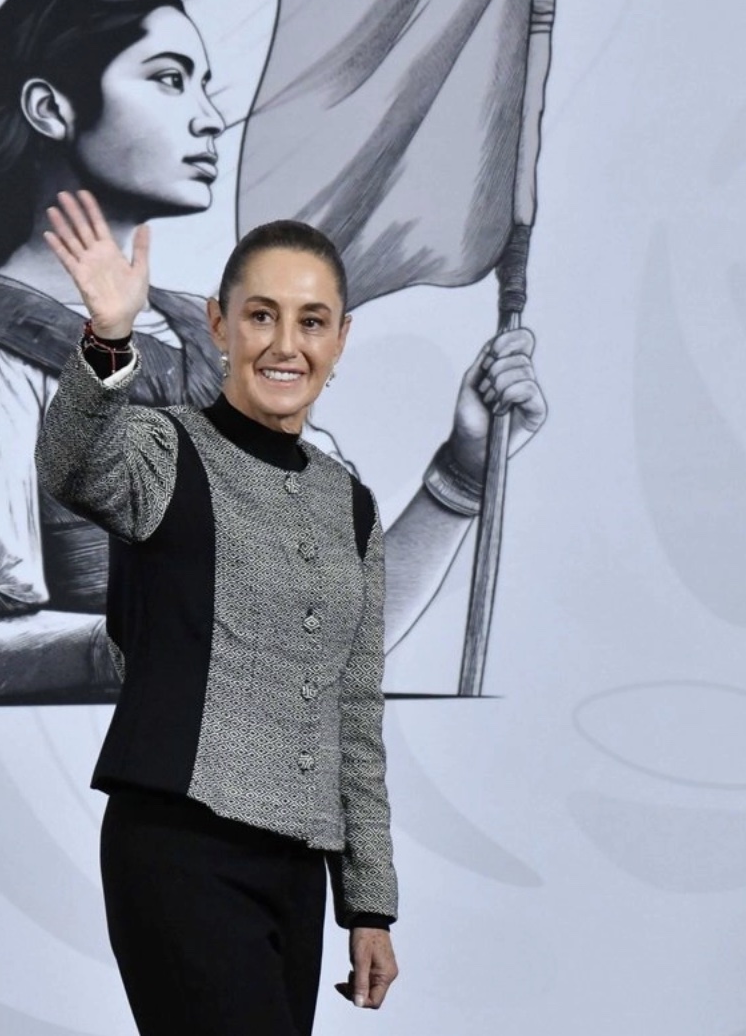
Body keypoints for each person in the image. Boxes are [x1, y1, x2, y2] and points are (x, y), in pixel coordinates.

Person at [0, 0, 547, 705]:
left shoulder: (212, 347)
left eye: (204, 85)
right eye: (170, 80)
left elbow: (330, 644)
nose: (209, 118)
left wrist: (461, 475)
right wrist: (147, 642)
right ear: (50, 108)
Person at [35, 190, 543, 1033]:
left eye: (312, 322)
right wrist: (108, 338)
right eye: (261, 315)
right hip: (179, 851)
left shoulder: (350, 504)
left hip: (297, 872)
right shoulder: (164, 448)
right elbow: (72, 464)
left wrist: (369, 906)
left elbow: (354, 713)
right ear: (219, 325)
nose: (286, 343)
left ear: (340, 340)